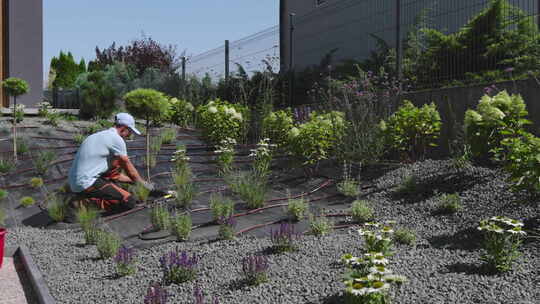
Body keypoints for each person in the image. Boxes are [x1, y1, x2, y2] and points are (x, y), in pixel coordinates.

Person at [65, 112, 152, 222]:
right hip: (87, 181)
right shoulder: (116, 139)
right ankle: (80, 205)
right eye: (129, 131)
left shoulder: (96, 136)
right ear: (124, 128)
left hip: (76, 182)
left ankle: (83, 200)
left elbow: (115, 176)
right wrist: (142, 183)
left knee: (115, 192)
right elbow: (127, 164)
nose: (129, 135)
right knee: (128, 201)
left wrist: (133, 181)